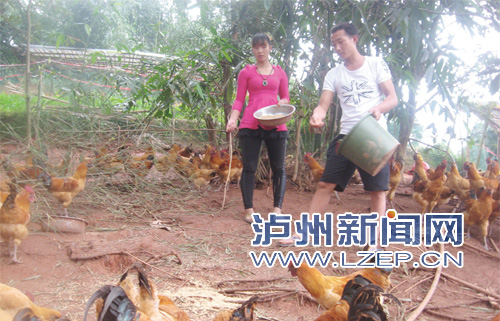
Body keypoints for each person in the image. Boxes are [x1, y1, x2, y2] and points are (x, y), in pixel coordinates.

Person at [279, 22, 398, 247]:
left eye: (340, 41)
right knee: (325, 184)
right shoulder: (334, 74)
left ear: (354, 39)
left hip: (374, 136)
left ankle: (375, 242)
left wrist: (379, 109)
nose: (336, 47)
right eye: (333, 43)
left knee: (377, 190)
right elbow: (324, 103)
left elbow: (392, 97)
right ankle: (306, 234)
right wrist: (317, 115)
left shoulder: (375, 64)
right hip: (346, 137)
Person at [226, 33, 290, 223]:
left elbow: (285, 97)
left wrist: (282, 103)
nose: (260, 51)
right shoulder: (246, 72)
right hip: (251, 123)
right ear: (253, 50)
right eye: (256, 47)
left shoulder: (280, 72)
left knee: (279, 168)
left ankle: (277, 209)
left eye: (263, 46)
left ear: (270, 48)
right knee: (249, 168)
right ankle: (249, 211)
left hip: (276, 123)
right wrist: (233, 119)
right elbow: (239, 99)